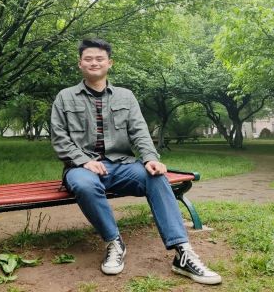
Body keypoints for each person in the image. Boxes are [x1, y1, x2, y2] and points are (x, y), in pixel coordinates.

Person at [50, 38, 221, 285]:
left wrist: (150, 158)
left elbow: (140, 132)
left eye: (99, 58)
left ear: (110, 63)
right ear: (80, 64)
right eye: (88, 59)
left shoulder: (125, 96)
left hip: (121, 165)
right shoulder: (65, 97)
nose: (94, 62)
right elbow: (59, 138)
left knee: (156, 177)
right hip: (80, 168)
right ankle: (114, 243)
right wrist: (84, 161)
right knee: (85, 185)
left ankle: (183, 253)